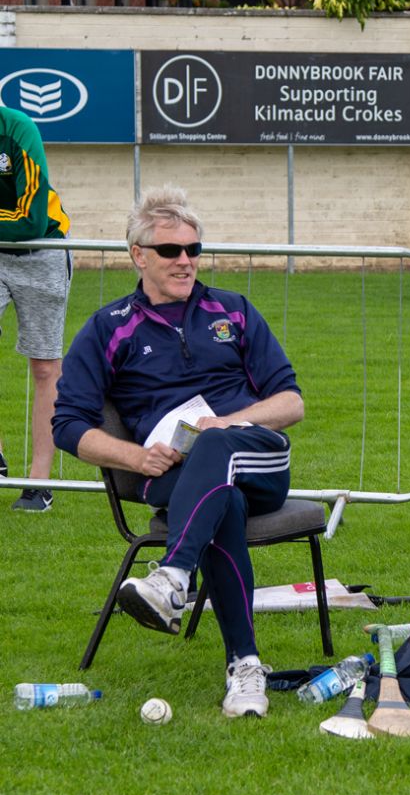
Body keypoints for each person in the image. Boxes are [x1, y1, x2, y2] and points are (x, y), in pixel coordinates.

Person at [53, 185, 303, 719]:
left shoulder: (232, 311)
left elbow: (290, 403)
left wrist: (228, 422)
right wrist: (134, 458)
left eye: (194, 249)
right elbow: (68, 425)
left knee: (217, 450)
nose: (185, 260)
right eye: (171, 251)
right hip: (171, 474)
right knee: (222, 505)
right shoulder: (109, 327)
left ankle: (171, 577)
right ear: (138, 255)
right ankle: (245, 667)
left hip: (257, 456)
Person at [0, 106, 72, 512]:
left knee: (45, 367)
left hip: (42, 251)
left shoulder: (18, 129)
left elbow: (30, 220)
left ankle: (38, 481)